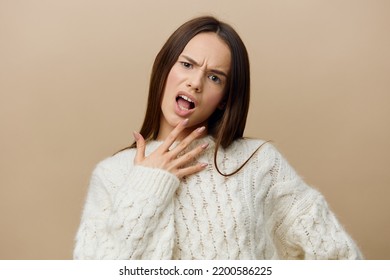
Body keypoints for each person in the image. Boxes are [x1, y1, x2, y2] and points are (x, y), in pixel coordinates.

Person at [73, 16, 362, 259]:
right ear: (164, 70)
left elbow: (336, 252)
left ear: (224, 99)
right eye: (186, 64)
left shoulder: (259, 163)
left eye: (214, 77)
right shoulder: (113, 174)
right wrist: (147, 183)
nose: (195, 82)